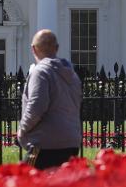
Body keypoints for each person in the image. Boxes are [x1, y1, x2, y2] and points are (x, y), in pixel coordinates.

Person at [16, 29, 82, 171]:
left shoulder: (40, 72)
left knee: (25, 183)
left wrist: (22, 129)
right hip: (71, 142)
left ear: (33, 49)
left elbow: (37, 106)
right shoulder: (72, 75)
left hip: (44, 143)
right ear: (56, 48)